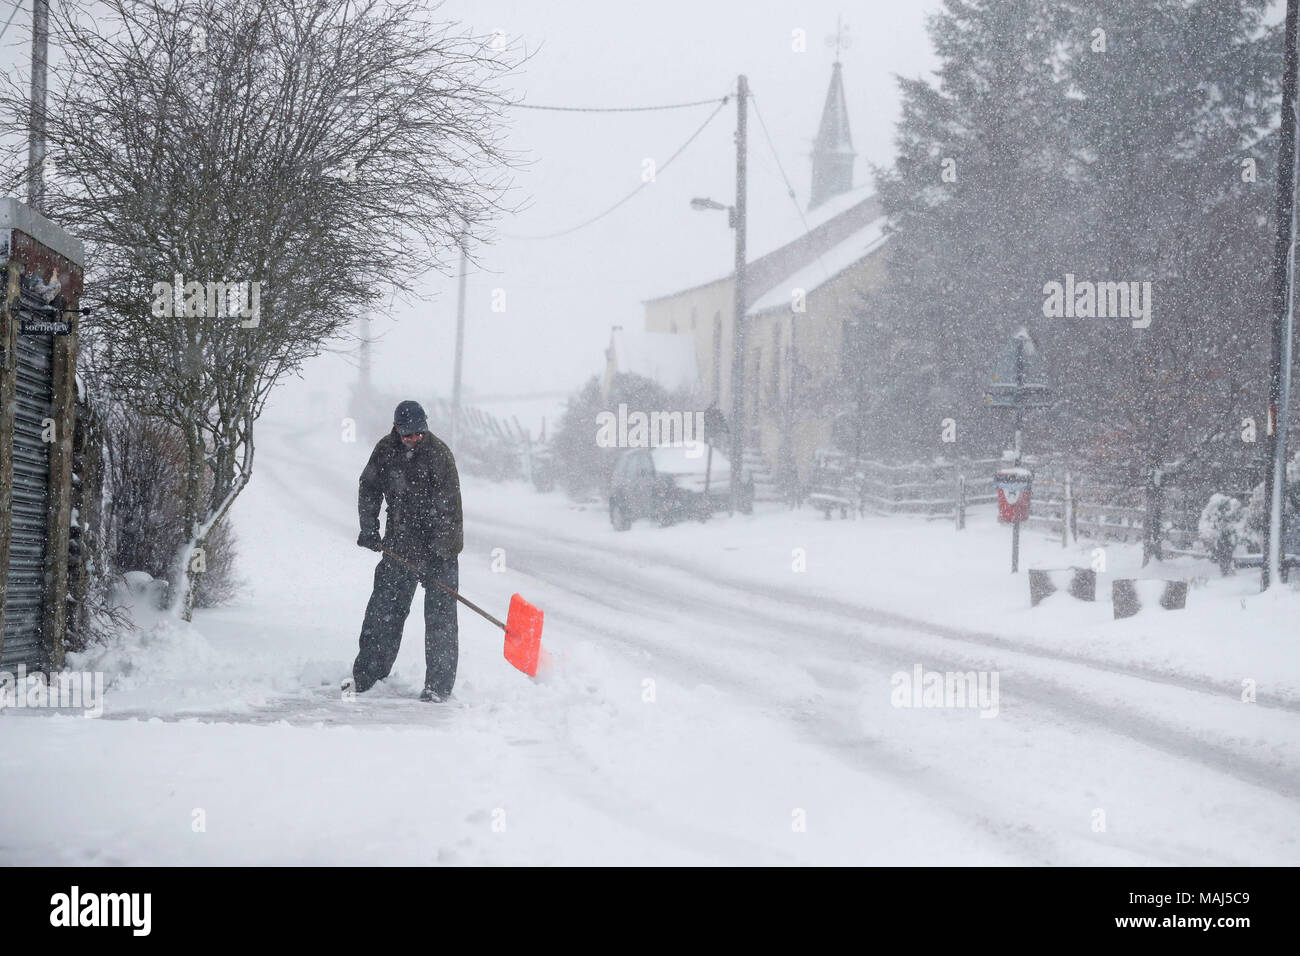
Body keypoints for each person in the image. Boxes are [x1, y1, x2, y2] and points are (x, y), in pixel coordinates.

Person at [349, 400, 463, 702]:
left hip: (441, 550)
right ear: (397, 429)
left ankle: (437, 688)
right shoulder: (386, 450)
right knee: (383, 612)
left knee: (440, 620)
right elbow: (369, 487)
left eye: (419, 433)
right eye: (408, 434)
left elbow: (449, 512)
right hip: (399, 544)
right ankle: (368, 677)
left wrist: (436, 557)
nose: (414, 439)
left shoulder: (439, 455)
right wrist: (369, 528)